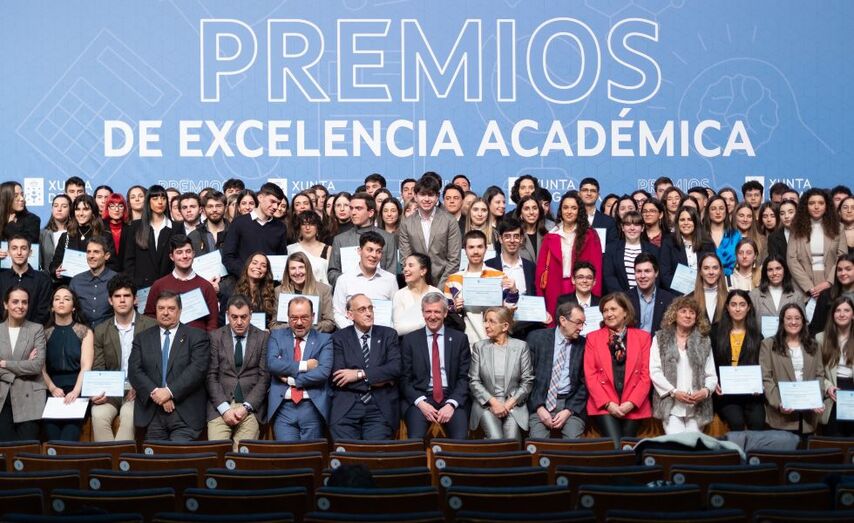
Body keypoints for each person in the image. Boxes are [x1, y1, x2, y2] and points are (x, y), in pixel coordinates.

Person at [128, 290, 211, 441]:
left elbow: (197, 370)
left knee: (177, 455)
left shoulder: (197, 337)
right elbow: (134, 371)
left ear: (180, 311)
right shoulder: (142, 338)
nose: (165, 313)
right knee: (154, 455)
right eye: (161, 308)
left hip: (185, 413)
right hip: (152, 412)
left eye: (171, 308)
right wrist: (156, 393)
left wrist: (169, 392)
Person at [90, 275, 157, 442]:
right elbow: (98, 367)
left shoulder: (151, 326)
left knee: (128, 415)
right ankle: (109, 457)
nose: (122, 300)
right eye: (117, 296)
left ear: (135, 299)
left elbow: (155, 365)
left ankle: (118, 458)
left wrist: (141, 387)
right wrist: (99, 392)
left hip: (139, 392)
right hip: (111, 391)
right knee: (98, 414)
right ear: (110, 300)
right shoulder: (101, 330)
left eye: (126, 296)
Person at [583, 292, 652, 447]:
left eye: (613, 309)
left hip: (633, 404)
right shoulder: (593, 338)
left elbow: (646, 374)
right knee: (616, 446)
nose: (608, 314)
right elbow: (590, 375)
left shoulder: (643, 337)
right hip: (604, 404)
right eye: (605, 310)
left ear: (625, 312)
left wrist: (631, 403)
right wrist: (608, 404)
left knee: (627, 447)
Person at [329, 294, 401, 440]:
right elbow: (339, 377)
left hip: (379, 405)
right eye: (362, 309)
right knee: (347, 451)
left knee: (374, 451)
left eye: (370, 308)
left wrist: (359, 374)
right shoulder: (339, 338)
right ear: (350, 315)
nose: (368, 313)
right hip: (348, 405)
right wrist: (382, 379)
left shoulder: (388, 335)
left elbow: (395, 369)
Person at [400, 292, 471, 439]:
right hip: (421, 398)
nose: (432, 316)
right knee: (416, 440)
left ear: (445, 313)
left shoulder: (459, 339)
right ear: (422, 313)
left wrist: (451, 404)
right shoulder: (410, 340)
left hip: (451, 396)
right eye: (428, 311)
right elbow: (404, 380)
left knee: (461, 441)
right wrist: (421, 403)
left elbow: (464, 377)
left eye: (437, 312)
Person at [206, 294, 271, 447]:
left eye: (244, 317)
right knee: (217, 451)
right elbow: (210, 376)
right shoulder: (215, 337)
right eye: (234, 317)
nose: (239, 322)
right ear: (227, 315)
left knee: (243, 453)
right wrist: (224, 409)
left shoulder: (263, 337)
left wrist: (246, 407)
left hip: (250, 407)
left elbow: (264, 378)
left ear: (251, 315)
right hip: (220, 405)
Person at [267, 296, 332, 441]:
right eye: (294, 318)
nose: (299, 323)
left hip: (312, 407)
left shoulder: (324, 340)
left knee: (311, 453)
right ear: (287, 317)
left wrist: (291, 380)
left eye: (304, 317)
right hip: (283, 408)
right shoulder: (276, 336)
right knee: (288, 453)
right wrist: (305, 365)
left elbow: (323, 372)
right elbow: (272, 364)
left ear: (313, 317)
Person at [650, 297, 717, 434]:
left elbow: (711, 374)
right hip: (671, 406)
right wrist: (673, 392)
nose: (688, 315)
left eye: (692, 312)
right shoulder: (660, 338)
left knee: (694, 443)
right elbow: (655, 371)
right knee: (677, 441)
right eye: (683, 311)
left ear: (696, 317)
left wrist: (705, 391)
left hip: (697, 408)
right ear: (674, 314)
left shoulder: (704, 341)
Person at [537, 192, 603, 324]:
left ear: (579, 211)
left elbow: (597, 270)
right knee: (557, 326)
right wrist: (540, 306)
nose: (569, 211)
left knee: (583, 325)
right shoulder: (550, 235)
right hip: (554, 287)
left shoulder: (590, 235)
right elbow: (540, 272)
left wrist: (595, 299)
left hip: (581, 287)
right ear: (560, 210)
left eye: (573, 208)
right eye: (565, 207)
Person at [468, 307, 534, 439]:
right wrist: (494, 402)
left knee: (511, 442)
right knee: (496, 440)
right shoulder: (479, 347)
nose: (486, 325)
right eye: (485, 321)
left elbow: (527, 381)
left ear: (505, 326)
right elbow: (473, 381)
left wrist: (509, 404)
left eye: (491, 321)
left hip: (513, 404)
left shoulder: (521, 347)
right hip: (487, 404)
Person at [760, 303, 826, 434]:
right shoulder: (768, 345)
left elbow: (819, 375)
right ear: (782, 321)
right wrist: (778, 403)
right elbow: (766, 378)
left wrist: (817, 399)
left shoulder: (814, 345)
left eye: (797, 318)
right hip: (781, 416)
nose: (793, 322)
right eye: (789, 318)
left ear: (803, 321)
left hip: (807, 416)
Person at [527, 302, 588, 439]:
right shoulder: (537, 338)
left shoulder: (583, 344)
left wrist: (569, 410)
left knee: (573, 443)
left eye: (583, 323)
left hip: (569, 404)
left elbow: (585, 384)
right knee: (538, 444)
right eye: (578, 323)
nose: (581, 328)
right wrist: (539, 408)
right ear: (563, 320)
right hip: (541, 401)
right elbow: (527, 378)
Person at [445, 230, 519, 342]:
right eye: (471, 247)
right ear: (465, 250)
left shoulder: (499, 276)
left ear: (485, 249)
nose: (475, 251)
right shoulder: (453, 279)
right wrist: (454, 308)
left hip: (495, 339)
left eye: (480, 247)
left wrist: (513, 291)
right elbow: (445, 311)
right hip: (465, 339)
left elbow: (509, 310)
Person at [41, 287, 93, 441]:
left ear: (74, 306)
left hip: (77, 389)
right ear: (52, 306)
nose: (61, 302)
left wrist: (76, 391)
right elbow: (40, 368)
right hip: (51, 390)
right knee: (52, 436)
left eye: (66, 299)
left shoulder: (85, 331)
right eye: (57, 299)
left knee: (69, 436)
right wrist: (52, 388)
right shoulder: (44, 333)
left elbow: (86, 366)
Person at [711, 290, 766, 431]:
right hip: (725, 394)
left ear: (748, 308)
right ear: (727, 307)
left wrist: (759, 385)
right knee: (736, 422)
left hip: (751, 394)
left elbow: (762, 365)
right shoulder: (715, 332)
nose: (737, 309)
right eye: (733, 304)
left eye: (742, 305)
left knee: (758, 422)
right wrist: (714, 383)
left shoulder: (757, 335)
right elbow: (709, 362)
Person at [398, 176, 462, 290]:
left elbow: (454, 260)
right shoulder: (407, 223)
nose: (427, 199)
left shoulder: (450, 221)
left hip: (443, 286)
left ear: (437, 197)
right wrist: (419, 286)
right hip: (415, 287)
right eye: (423, 194)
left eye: (431, 195)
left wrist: (439, 290)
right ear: (415, 196)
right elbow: (405, 259)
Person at [144, 235, 218, 332]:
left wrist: (205, 340)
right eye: (179, 252)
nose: (185, 256)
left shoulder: (206, 286)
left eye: (188, 251)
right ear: (172, 257)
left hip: (198, 340)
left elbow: (213, 322)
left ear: (193, 254)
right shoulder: (159, 285)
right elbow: (149, 317)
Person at [0, 287, 45, 442]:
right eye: (15, 302)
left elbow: (37, 366)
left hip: (30, 396)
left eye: (24, 302)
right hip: (2, 397)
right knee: (5, 451)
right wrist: (25, 364)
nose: (20, 306)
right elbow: (30, 366)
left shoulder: (36, 329)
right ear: (6, 304)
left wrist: (4, 363)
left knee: (27, 449)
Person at [787, 188, 847, 297]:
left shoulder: (839, 228)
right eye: (811, 203)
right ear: (805, 206)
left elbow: (842, 257)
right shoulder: (796, 228)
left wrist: (829, 282)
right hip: (802, 287)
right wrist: (809, 287)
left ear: (827, 206)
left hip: (831, 284)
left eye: (821, 203)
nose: (816, 207)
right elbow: (792, 260)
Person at [332, 231, 398, 329]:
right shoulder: (344, 280)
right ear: (359, 251)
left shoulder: (390, 280)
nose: (374, 255)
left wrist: (387, 333)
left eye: (378, 251)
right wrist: (353, 333)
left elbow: (395, 313)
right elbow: (338, 313)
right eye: (369, 250)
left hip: (382, 335)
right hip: (352, 335)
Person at [222, 182, 288, 278]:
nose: (275, 207)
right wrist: (247, 274)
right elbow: (228, 257)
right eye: (272, 201)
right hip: (241, 282)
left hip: (269, 284)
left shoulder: (280, 227)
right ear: (260, 198)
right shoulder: (239, 223)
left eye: (278, 203)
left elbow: (281, 260)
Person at [51, 194, 117, 280]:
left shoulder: (105, 236)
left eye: (85, 209)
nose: (81, 213)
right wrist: (56, 271)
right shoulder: (66, 236)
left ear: (93, 212)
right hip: (70, 284)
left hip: (97, 283)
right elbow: (54, 264)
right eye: (77, 209)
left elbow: (113, 265)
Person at [123, 185, 175, 289]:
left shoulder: (176, 227)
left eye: (163, 198)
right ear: (148, 201)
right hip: (141, 288)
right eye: (155, 198)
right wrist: (133, 286)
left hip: (169, 287)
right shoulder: (135, 227)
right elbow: (129, 261)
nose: (160, 202)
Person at [818, 296, 854, 436]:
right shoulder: (820, 338)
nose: (842, 314)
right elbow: (817, 371)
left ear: (853, 315)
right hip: (833, 391)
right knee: (833, 437)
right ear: (832, 315)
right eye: (838, 310)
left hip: (852, 388)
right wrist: (827, 387)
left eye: (846, 310)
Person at [275, 252, 335, 333]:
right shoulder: (279, 291)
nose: (297, 272)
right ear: (288, 272)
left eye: (301, 267)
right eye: (293, 268)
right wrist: (293, 326)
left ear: (308, 269)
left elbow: (330, 323)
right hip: (286, 337)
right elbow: (273, 325)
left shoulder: (324, 290)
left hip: (314, 337)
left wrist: (307, 326)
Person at [659, 206, 715, 292]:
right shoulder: (668, 243)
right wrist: (683, 294)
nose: (686, 223)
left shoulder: (707, 244)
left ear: (695, 222)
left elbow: (712, 271)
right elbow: (665, 275)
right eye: (682, 220)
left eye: (690, 219)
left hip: (704, 291)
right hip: (677, 294)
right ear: (677, 223)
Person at [603, 211, 660, 294]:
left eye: (636, 224)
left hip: (647, 297)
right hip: (620, 298)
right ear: (622, 227)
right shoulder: (611, 248)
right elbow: (609, 277)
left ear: (642, 228)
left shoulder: (654, 250)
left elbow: (656, 277)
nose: (632, 228)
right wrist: (624, 298)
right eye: (628, 224)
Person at [0, 235, 51, 324]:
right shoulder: (1, 278)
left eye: (23, 248)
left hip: (34, 331)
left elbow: (43, 313)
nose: (19, 252)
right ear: (8, 252)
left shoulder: (43, 280)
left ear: (30, 252)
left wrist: (28, 330)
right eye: (14, 248)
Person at [68, 237, 117, 328]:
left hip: (109, 332)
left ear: (107, 256)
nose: (91, 256)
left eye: (96, 252)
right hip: (81, 332)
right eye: (88, 252)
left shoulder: (116, 279)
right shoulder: (76, 281)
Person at [392, 254, 442, 337]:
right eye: (404, 266)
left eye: (410, 265)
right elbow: (398, 329)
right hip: (407, 342)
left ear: (423, 271)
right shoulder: (400, 294)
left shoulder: (436, 293)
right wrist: (426, 324)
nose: (405, 269)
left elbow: (440, 323)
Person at [749, 255, 805, 326]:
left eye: (778, 268)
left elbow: (803, 323)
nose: (774, 273)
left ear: (784, 270)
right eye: (770, 270)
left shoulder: (796, 296)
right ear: (765, 272)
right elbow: (749, 323)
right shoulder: (754, 295)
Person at [628, 253, 675, 335]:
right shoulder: (625, 299)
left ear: (656, 273)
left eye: (647, 271)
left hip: (658, 342)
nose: (642, 276)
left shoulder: (669, 299)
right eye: (639, 271)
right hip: (632, 342)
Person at [286, 211, 330, 286]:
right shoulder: (290, 249)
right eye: (304, 224)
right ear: (299, 227)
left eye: (311, 224)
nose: (307, 228)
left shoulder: (328, 249)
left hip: (323, 290)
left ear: (317, 227)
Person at [703, 195, 741, 277]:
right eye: (713, 209)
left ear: (726, 211)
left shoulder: (735, 236)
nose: (718, 212)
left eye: (721, 208)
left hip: (731, 280)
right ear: (708, 212)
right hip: (705, 280)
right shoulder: (701, 235)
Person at [578, 178, 618, 246]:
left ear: (598, 195)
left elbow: (611, 248)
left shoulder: (609, 222)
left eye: (593, 191)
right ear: (579, 194)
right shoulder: (571, 218)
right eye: (585, 190)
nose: (589, 193)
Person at [691, 253, 728, 324]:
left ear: (720, 271)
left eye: (715, 268)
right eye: (706, 268)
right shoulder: (689, 298)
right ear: (700, 272)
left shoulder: (729, 298)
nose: (711, 272)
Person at [188, 190, 229, 256]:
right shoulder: (193, 236)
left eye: (218, 206)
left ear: (226, 208)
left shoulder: (235, 233)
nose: (214, 210)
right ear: (203, 210)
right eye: (210, 206)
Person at [0, 181, 40, 246]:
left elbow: (30, 244)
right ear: (5, 198)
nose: (21, 199)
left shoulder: (32, 219)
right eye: (16, 196)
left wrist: (11, 226)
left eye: (22, 195)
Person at [39, 194, 72, 272]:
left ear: (70, 209)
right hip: (47, 277)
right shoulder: (42, 234)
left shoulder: (75, 234)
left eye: (64, 206)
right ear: (52, 209)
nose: (59, 209)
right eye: (56, 206)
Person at [513, 195, 547, 263]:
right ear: (520, 214)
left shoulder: (547, 234)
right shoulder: (514, 236)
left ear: (539, 212)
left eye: (535, 208)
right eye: (526, 209)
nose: (531, 212)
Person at [102, 193, 129, 273]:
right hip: (104, 273)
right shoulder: (100, 228)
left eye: (120, 206)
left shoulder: (130, 229)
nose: (116, 210)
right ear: (107, 208)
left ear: (124, 209)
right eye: (112, 206)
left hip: (125, 273)